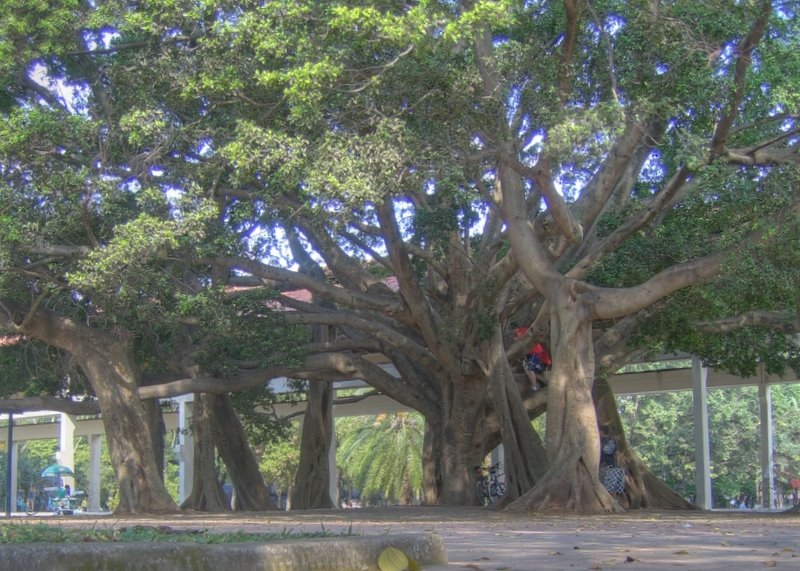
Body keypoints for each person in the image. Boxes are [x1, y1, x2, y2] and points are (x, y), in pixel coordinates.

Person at [513, 325, 552, 390]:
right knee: (530, 371)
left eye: (513, 330)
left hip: (535, 352)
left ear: (516, 328)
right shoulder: (520, 332)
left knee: (530, 370)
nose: (513, 332)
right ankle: (538, 384)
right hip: (530, 354)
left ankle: (535, 386)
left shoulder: (523, 330)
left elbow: (524, 338)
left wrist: (517, 339)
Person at [599, 426, 624, 495]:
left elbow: (608, 451)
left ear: (602, 432)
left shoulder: (608, 440)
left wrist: (600, 447)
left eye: (599, 430)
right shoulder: (603, 440)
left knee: (609, 488)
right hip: (605, 467)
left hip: (608, 467)